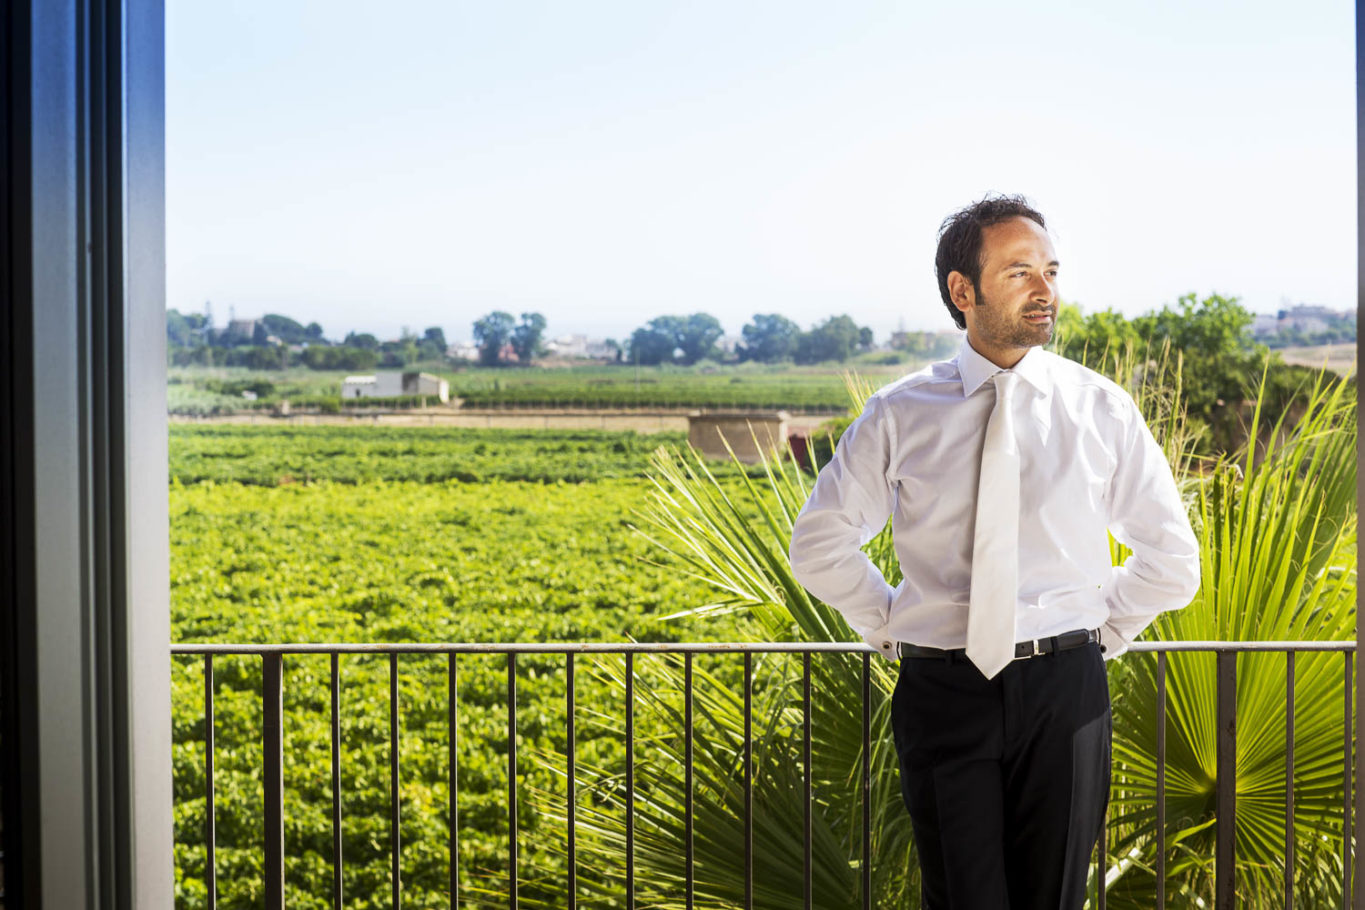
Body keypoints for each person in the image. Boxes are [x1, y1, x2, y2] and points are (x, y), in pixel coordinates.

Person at [788, 194, 1200, 909]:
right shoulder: (898, 414)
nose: (1045, 290)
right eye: (1018, 272)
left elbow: (1171, 561)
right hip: (942, 694)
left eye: (1049, 269)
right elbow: (819, 544)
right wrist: (892, 626)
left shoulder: (1100, 409)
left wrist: (1096, 637)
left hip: (1065, 692)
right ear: (962, 290)